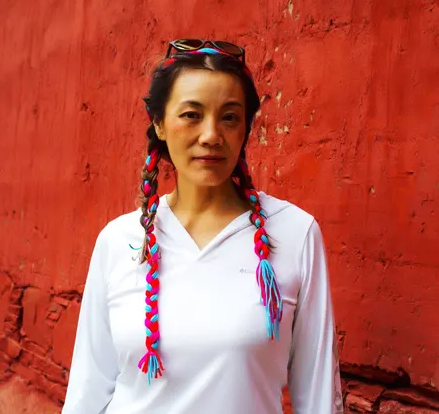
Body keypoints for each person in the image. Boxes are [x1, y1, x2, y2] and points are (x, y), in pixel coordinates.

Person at [62, 39, 342, 413]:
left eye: (229, 117)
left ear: (245, 129)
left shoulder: (294, 234)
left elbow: (320, 398)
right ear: (159, 124)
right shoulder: (119, 241)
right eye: (192, 115)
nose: (211, 135)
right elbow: (87, 394)